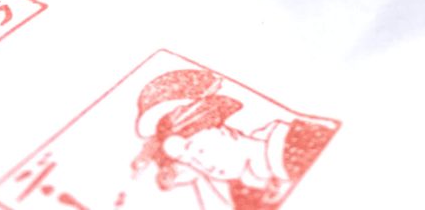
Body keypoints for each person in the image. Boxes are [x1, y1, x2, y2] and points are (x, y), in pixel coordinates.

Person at [132, 69, 336, 210]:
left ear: (221, 129)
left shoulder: (296, 140)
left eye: (199, 150)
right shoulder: (244, 193)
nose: (203, 165)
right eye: (190, 162)